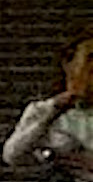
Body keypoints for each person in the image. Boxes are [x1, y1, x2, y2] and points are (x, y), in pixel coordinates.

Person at [7, 27, 93, 173]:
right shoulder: (43, 111)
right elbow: (13, 155)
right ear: (68, 64)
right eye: (90, 58)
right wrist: (54, 109)